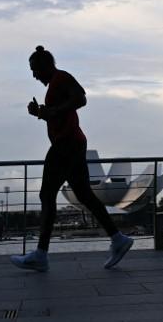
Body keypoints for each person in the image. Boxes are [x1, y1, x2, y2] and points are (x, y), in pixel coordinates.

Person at [10, 46, 133, 272]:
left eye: (34, 69)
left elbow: (80, 99)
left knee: (47, 195)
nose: (34, 75)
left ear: (45, 65)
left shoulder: (61, 78)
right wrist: (40, 112)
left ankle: (41, 254)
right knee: (85, 195)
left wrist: (53, 112)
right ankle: (118, 239)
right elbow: (61, 109)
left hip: (66, 144)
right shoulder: (56, 83)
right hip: (73, 143)